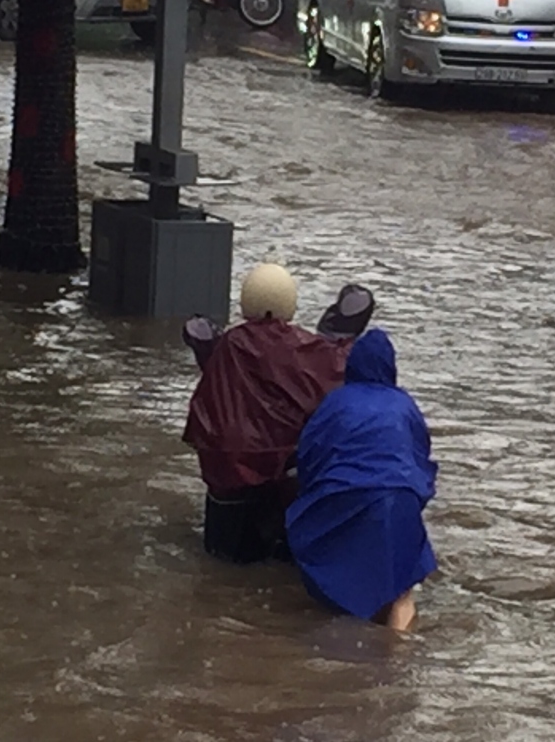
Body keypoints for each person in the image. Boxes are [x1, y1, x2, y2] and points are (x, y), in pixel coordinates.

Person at [182, 263, 374, 565]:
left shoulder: (228, 349)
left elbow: (214, 400)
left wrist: (206, 349)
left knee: (225, 562)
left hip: (229, 479)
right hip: (284, 476)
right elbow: (336, 376)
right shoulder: (305, 349)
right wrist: (340, 337)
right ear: (291, 303)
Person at [285, 328, 438, 632]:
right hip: (400, 498)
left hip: (344, 497)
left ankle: (342, 649)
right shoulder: (405, 405)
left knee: (337, 576)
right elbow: (421, 458)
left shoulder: (335, 403)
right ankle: (398, 657)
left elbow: (310, 457)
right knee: (401, 591)